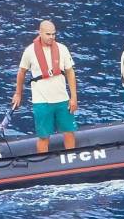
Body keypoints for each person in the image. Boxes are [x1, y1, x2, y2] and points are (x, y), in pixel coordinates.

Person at [12, 20, 78, 154]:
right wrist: (18, 94)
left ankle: (71, 159)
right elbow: (22, 72)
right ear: (40, 33)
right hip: (41, 101)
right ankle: (44, 163)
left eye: (54, 34)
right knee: (44, 136)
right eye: (48, 34)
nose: (51, 37)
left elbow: (70, 72)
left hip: (62, 99)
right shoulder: (30, 51)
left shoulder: (62, 48)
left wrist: (73, 97)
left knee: (69, 132)